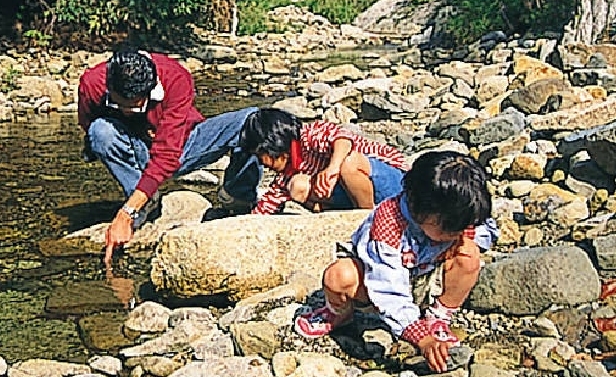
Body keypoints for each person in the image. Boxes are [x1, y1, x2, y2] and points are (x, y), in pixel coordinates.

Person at [293, 150, 499, 373]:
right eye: (451, 230)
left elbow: (486, 229)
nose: (458, 232)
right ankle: (339, 313)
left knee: (469, 254)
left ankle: (438, 316)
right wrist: (419, 336)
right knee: (338, 276)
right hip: (376, 284)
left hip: (424, 276)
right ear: (421, 213)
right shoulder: (388, 226)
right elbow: (387, 288)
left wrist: (461, 238)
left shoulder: (456, 211)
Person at [78, 48, 262, 266]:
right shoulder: (91, 84)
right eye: (120, 106)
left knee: (253, 120)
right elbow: (89, 126)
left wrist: (124, 214)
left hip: (182, 143)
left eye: (136, 107)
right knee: (100, 132)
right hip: (137, 149)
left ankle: (237, 196)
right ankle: (144, 199)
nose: (127, 112)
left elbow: (167, 156)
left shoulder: (176, 77)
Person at [239, 108, 408, 214]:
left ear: (272, 145)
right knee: (298, 186)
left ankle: (367, 218)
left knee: (348, 163)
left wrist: (332, 169)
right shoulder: (286, 174)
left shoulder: (309, 134)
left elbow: (343, 139)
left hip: (393, 183)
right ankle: (347, 217)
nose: (262, 163)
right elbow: (267, 206)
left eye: (261, 155)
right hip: (355, 196)